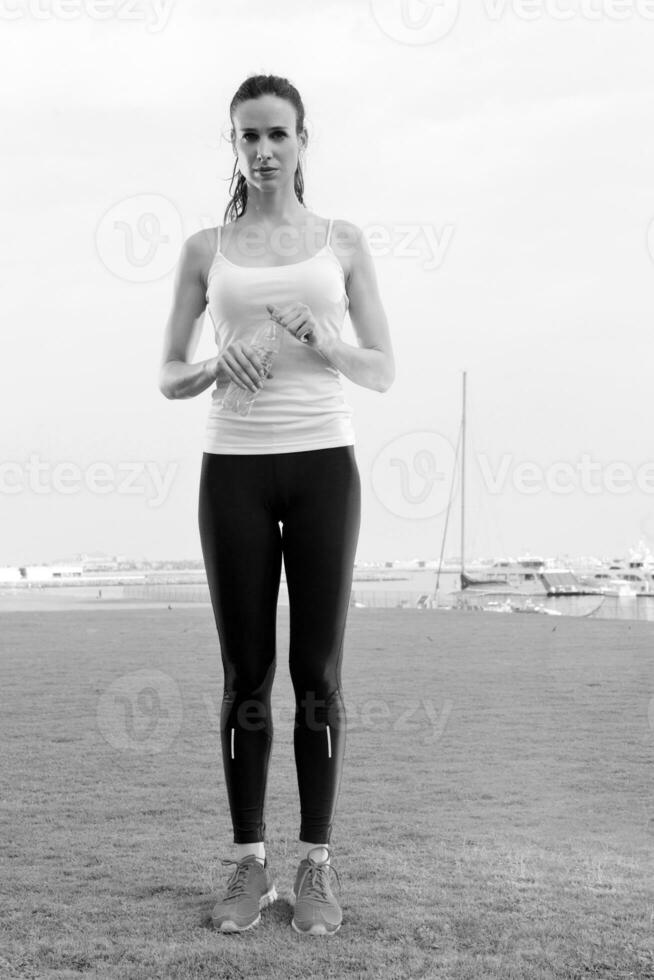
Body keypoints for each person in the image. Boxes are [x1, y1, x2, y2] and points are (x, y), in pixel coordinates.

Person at [158, 73, 394, 936]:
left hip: (324, 465)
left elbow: (382, 369)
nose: (262, 151)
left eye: (277, 136)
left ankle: (318, 867)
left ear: (303, 142)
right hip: (235, 471)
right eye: (247, 137)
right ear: (234, 144)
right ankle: (248, 865)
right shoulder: (202, 250)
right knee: (245, 675)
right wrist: (221, 363)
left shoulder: (342, 243)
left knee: (318, 677)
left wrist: (323, 339)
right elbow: (168, 377)